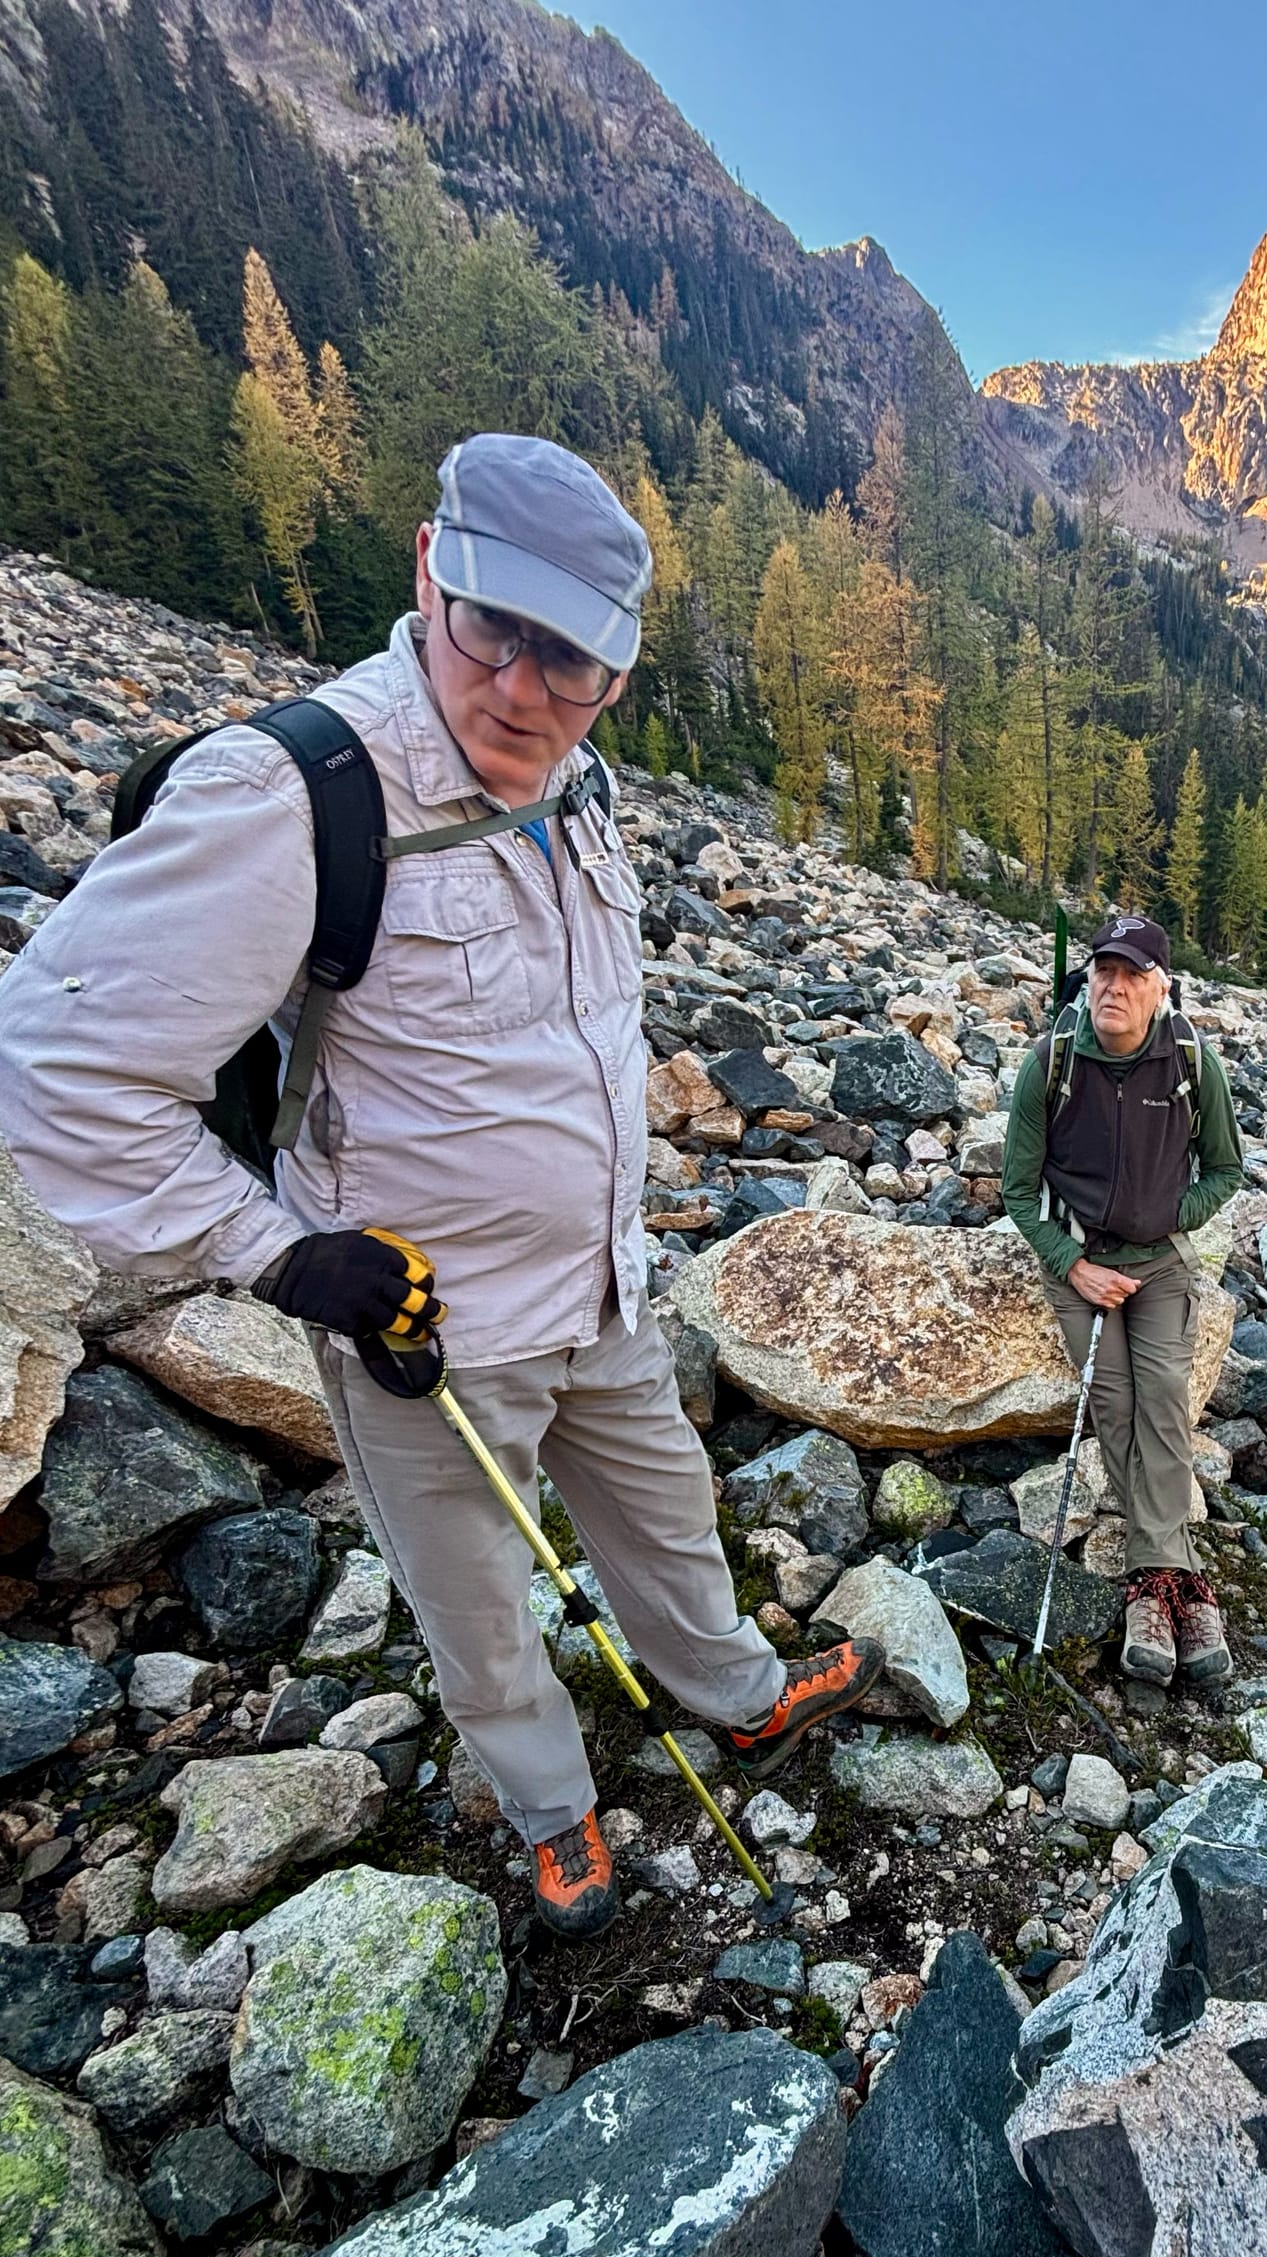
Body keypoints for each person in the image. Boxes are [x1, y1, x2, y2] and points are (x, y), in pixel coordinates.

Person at [0, 432, 882, 1942]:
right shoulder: (288, 794)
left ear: (618, 670)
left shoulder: (574, 776)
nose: (525, 687)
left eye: (574, 660)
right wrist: (283, 1258)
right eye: (495, 628)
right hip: (429, 1329)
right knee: (474, 1597)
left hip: (601, 1286)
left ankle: (734, 1690)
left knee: (666, 1508)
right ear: (428, 569)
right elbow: (50, 1075)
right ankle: (552, 1810)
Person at [1001, 912, 1244, 1687]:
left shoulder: (1191, 1061)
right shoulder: (1051, 1064)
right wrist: (1073, 1265)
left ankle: (1154, 1580)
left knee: (1165, 1395)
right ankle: (1177, 1583)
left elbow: (1225, 1170)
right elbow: (1017, 1189)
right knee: (1113, 1400)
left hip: (1160, 1264)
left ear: (1159, 989)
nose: (1113, 984)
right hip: (1080, 1261)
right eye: (1104, 969)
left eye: (1132, 974)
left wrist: (1171, 1216)